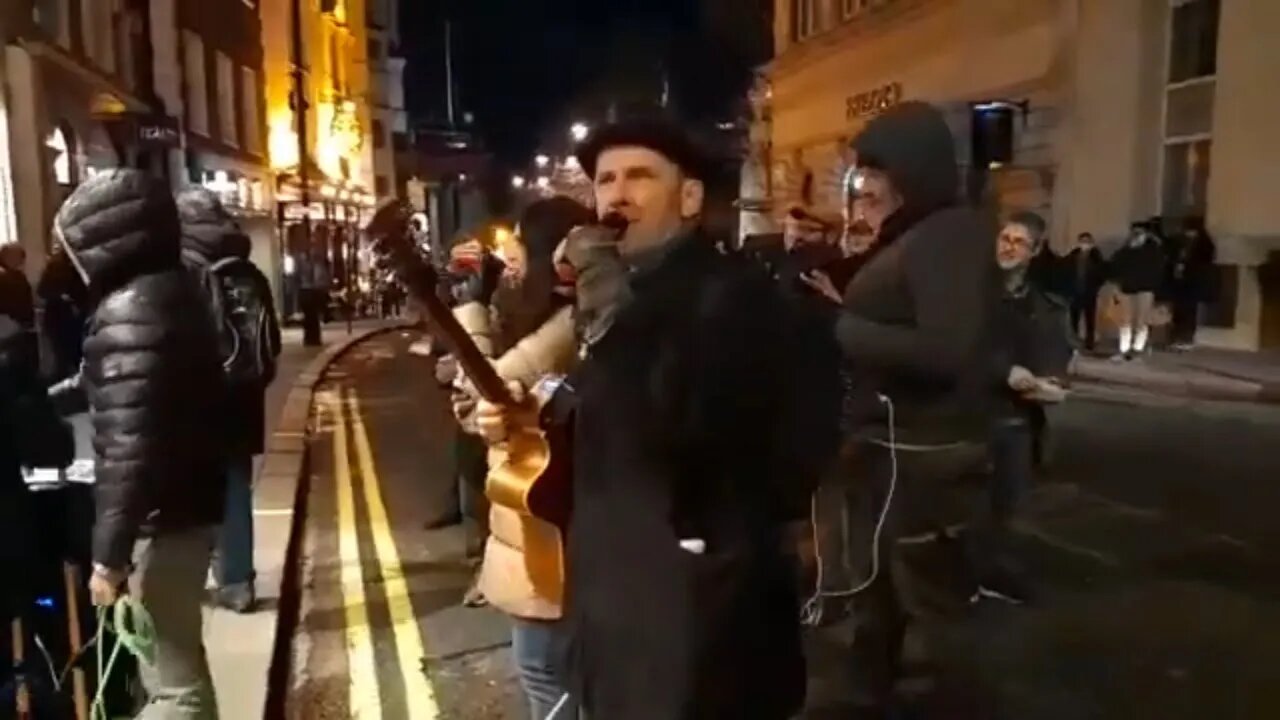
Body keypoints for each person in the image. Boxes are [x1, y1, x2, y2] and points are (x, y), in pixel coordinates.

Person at [475, 116, 843, 719]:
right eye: (606, 179)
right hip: (615, 614)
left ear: (690, 198)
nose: (617, 194)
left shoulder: (731, 296)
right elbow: (613, 422)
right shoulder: (627, 298)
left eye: (640, 176)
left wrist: (605, 302)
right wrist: (532, 420)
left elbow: (674, 422)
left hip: (694, 630)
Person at [825, 101, 998, 715]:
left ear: (914, 170)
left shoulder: (948, 232)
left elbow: (947, 348)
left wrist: (838, 326)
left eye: (876, 170)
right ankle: (868, 695)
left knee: (935, 611)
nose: (864, 184)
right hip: (893, 454)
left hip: (926, 461)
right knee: (882, 600)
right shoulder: (916, 235)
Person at [53, 169, 228, 718]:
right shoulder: (165, 294)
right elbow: (117, 384)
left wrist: (107, 561)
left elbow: (131, 451)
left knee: (173, 687)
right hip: (187, 507)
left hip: (162, 521)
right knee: (181, 665)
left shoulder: (128, 312)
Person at [444, 196, 593, 719]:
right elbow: (478, 409)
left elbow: (490, 383)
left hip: (548, 541)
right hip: (531, 532)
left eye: (521, 247)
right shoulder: (541, 312)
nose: (512, 260)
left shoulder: (568, 323)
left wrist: (470, 308)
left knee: (547, 680)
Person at [176, 186, 282, 613]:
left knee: (191, 490)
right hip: (243, 397)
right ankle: (238, 581)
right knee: (236, 489)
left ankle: (200, 574)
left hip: (198, 397)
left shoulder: (186, 269)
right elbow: (269, 344)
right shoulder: (248, 270)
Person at [973, 211, 1072, 605]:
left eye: (1019, 242)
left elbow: (1053, 353)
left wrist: (1052, 383)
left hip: (1016, 419)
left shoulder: (1042, 305)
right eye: (1005, 238)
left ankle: (990, 573)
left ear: (1034, 251)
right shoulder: (973, 295)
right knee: (966, 502)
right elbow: (960, 346)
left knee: (1006, 503)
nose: (1008, 247)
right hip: (973, 414)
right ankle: (960, 575)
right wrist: (1003, 371)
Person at [1110, 221, 1164, 360]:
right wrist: (1117, 284)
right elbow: (1115, 266)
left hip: (1145, 289)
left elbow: (1158, 270)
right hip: (1127, 288)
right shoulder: (1125, 251)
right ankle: (1124, 349)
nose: (1136, 235)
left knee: (1142, 321)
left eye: (1139, 233)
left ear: (1146, 234)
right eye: (1134, 232)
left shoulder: (1153, 251)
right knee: (1125, 320)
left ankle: (1137, 348)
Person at [1168, 218, 1217, 350]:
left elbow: (1205, 262)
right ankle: (1177, 337)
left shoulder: (1204, 244)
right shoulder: (1181, 243)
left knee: (1190, 312)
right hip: (1180, 282)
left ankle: (1187, 338)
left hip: (1194, 282)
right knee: (1179, 311)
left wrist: (1187, 265)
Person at [1063, 231, 1107, 351]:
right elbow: (1065, 270)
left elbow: (1102, 273)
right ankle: (1073, 343)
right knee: (1074, 320)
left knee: (1090, 320)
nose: (1085, 244)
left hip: (1089, 292)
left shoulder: (1096, 256)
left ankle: (1089, 343)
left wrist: (1096, 286)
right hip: (1074, 292)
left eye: (1087, 241)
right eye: (1082, 241)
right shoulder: (1073, 255)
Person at [0, 242, 35, 329]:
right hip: (10, 326)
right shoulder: (13, 278)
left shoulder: (15, 276)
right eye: (21, 257)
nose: (23, 261)